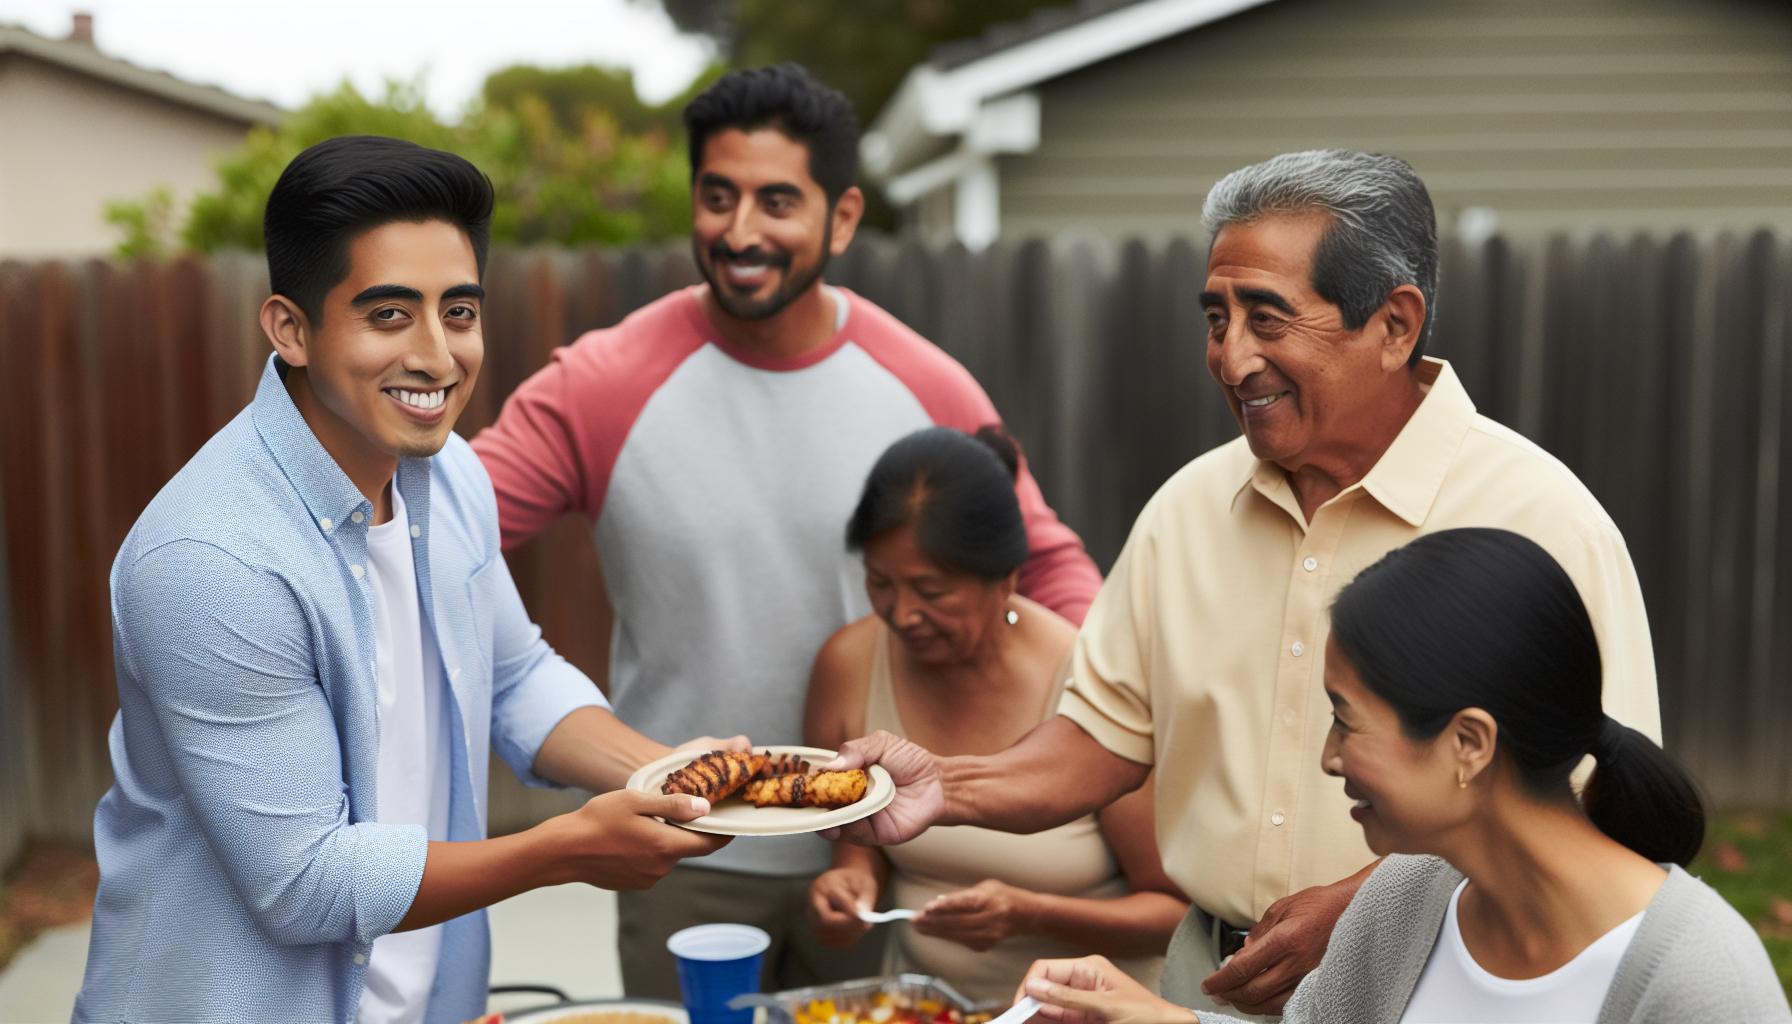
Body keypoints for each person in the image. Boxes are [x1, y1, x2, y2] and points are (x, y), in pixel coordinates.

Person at [827, 149, 1661, 1019]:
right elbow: (1098, 741)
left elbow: (1600, 801)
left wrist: (1370, 910)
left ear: (1395, 324)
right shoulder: (1186, 511)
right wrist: (939, 788)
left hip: (1443, 987)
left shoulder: (1541, 518)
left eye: (1268, 318)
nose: (1231, 358)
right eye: (1216, 318)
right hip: (1204, 982)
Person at [470, 64, 1102, 996]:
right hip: (679, 850)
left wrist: (1075, 742)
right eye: (717, 196)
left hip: (866, 849)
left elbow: (1045, 565)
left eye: (776, 201)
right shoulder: (601, 384)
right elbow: (443, 531)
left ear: (843, 217)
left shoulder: (924, 384)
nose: (739, 231)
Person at [74, 136, 733, 1024]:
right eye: (389, 315)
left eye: (458, 312)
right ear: (291, 329)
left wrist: (678, 776)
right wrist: (565, 850)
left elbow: (514, 677)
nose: (437, 355)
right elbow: (307, 881)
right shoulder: (210, 560)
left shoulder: (453, 476)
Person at [1015, 529, 1792, 1024]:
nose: (1329, 756)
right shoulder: (1409, 896)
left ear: (1468, 744)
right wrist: (1141, 1016)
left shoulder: (1698, 982)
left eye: (1346, 719)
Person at [805, 427, 1186, 1002]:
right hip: (924, 1008)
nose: (902, 614)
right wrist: (848, 885)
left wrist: (1031, 914)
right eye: (880, 584)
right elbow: (858, 843)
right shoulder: (848, 664)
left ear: (1006, 577)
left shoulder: (1094, 683)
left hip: (1083, 1012)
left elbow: (1176, 911)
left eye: (930, 590)